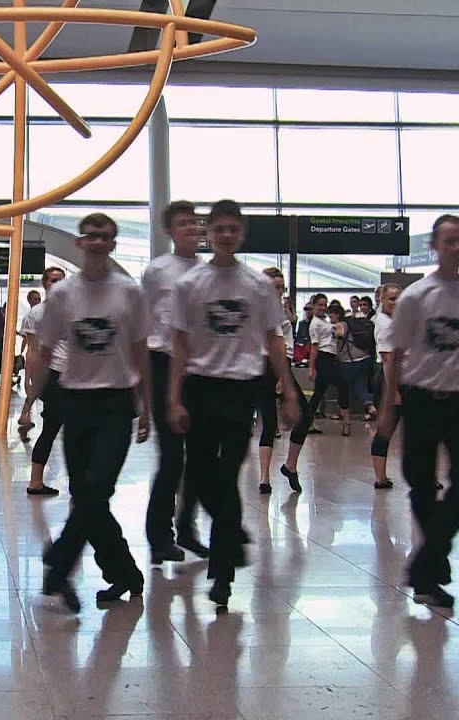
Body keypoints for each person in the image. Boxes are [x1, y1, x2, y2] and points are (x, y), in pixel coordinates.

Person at [166, 201, 299, 609]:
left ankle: (221, 570)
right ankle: (230, 540)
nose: (224, 235)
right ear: (210, 233)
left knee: (226, 479)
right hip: (201, 389)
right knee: (204, 477)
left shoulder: (257, 285)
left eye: (232, 229)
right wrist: (172, 397)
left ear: (240, 234)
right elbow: (180, 344)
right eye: (218, 228)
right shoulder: (191, 285)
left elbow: (274, 339)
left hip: (241, 389)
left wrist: (288, 389)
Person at [378, 214, 459, 610]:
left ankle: (427, 559)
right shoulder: (417, 297)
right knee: (420, 483)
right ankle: (432, 571)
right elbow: (395, 356)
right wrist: (388, 408)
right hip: (421, 399)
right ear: (435, 246)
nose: (456, 247)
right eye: (448, 240)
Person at [35, 212, 150, 614]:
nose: (98, 242)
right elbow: (45, 349)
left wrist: (146, 406)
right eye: (91, 236)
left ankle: (59, 563)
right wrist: (32, 400)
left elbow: (140, 350)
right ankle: (125, 573)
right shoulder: (62, 295)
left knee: (97, 488)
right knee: (87, 496)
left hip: (116, 404)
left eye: (106, 236)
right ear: (81, 243)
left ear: (113, 244)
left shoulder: (129, 293)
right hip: (76, 402)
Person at [141, 200, 201, 563]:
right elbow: (144, 326)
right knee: (171, 457)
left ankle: (187, 526)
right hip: (163, 363)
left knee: (198, 456)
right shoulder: (156, 272)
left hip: (197, 368)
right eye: (183, 224)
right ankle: (159, 533)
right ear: (170, 230)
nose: (191, 230)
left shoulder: (208, 273)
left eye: (195, 224)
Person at [255, 267, 313, 496]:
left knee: (300, 416)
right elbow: (275, 343)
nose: (278, 291)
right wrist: (282, 377)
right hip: (270, 366)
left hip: (278, 366)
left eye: (281, 287)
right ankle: (265, 475)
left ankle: (286, 466)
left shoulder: (276, 310)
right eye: (274, 286)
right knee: (271, 421)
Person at [17, 267, 67, 496]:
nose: (58, 285)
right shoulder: (36, 315)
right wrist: (28, 380)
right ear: (45, 284)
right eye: (54, 280)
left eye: (62, 280)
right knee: (50, 429)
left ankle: (82, 482)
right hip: (53, 375)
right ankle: (35, 481)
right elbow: (33, 352)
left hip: (76, 376)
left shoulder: (76, 311)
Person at [370, 284, 402, 489]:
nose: (395, 302)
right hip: (389, 379)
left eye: (398, 298)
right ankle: (380, 477)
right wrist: (394, 391)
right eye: (391, 299)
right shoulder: (384, 324)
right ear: (382, 301)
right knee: (385, 428)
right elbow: (387, 358)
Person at [306, 295, 350, 436]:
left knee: (318, 393)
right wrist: (311, 368)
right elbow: (314, 347)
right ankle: (346, 421)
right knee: (342, 383)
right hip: (323, 358)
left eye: (325, 305)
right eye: (320, 305)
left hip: (331, 357)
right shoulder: (315, 324)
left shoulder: (324, 321)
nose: (323, 308)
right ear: (313, 305)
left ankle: (307, 422)